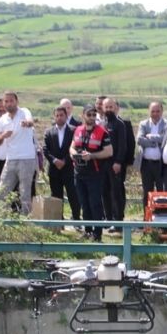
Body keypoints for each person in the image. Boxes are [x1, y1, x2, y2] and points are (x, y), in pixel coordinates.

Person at [71, 105, 114, 241]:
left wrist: (92, 156)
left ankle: (98, 233)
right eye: (89, 115)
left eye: (94, 115)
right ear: (83, 115)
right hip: (79, 172)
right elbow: (72, 146)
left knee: (95, 203)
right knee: (84, 203)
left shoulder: (102, 132)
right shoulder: (78, 130)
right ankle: (88, 230)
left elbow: (109, 151)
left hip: (95, 173)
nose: (91, 117)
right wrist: (73, 154)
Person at [0, 91, 38, 214]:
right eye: (6, 101)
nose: (9, 104)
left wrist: (27, 123)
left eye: (11, 101)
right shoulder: (3, 119)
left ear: (16, 102)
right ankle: (2, 220)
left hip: (26, 159)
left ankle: (26, 221)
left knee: (25, 193)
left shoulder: (24, 112)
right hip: (10, 159)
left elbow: (31, 122)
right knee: (3, 191)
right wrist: (3, 135)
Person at [44, 106, 81, 221]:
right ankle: (58, 221)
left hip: (69, 169)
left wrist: (65, 161)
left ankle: (76, 218)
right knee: (56, 196)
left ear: (66, 116)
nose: (59, 118)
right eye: (57, 115)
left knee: (73, 195)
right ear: (54, 117)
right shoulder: (49, 132)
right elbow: (46, 150)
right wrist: (55, 160)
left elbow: (77, 147)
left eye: (62, 115)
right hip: (54, 170)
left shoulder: (74, 130)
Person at [100, 98, 129, 232]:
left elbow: (123, 146)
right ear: (103, 108)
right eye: (106, 107)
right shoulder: (102, 124)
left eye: (111, 107)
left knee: (116, 193)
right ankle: (109, 219)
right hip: (103, 165)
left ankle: (118, 222)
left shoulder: (119, 124)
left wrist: (118, 162)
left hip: (115, 164)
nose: (109, 109)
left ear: (115, 108)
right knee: (105, 192)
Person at [136, 102, 167, 216]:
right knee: (147, 193)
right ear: (149, 111)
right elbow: (139, 139)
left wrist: (151, 137)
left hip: (161, 165)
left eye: (157, 111)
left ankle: (161, 217)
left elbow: (165, 139)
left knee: (161, 192)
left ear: (162, 111)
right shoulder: (143, 124)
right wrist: (155, 143)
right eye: (153, 111)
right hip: (146, 164)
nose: (155, 114)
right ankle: (147, 217)